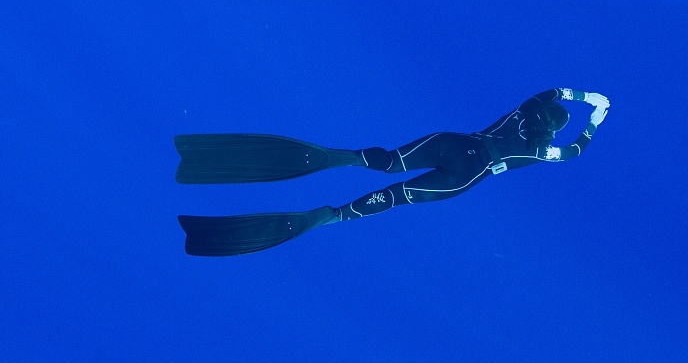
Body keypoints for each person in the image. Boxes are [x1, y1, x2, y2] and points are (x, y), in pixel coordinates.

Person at [174, 89, 610, 256]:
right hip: (467, 173)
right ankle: (332, 215)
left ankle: (340, 159)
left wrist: (588, 97)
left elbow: (549, 92)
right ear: (556, 125)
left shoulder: (524, 112)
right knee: (398, 195)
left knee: (386, 162)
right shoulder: (541, 149)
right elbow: (574, 150)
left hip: (455, 142)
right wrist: (596, 121)